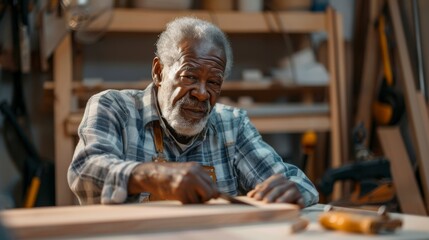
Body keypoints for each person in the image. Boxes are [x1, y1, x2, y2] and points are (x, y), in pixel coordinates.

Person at [68, 17, 319, 208]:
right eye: (189, 76)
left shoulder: (232, 125)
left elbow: (300, 184)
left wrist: (292, 190)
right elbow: (84, 171)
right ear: (158, 72)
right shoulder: (113, 108)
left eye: (213, 83)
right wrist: (153, 176)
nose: (201, 94)